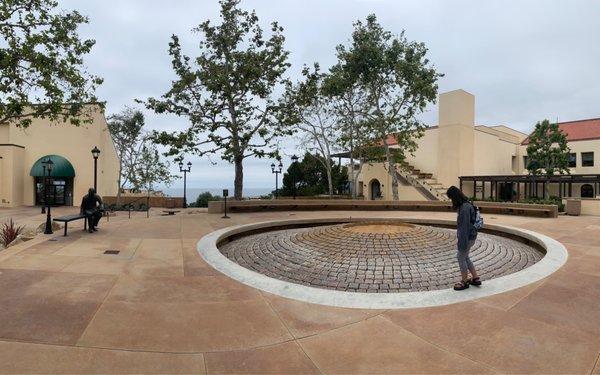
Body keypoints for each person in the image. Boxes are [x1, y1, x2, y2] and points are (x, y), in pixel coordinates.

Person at [446, 185, 482, 290]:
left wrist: (462, 243)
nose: (451, 201)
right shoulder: (467, 204)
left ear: (454, 197)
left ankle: (464, 281)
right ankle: (475, 278)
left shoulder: (464, 208)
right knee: (465, 257)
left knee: (460, 257)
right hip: (472, 236)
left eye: (451, 198)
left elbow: (464, 228)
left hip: (468, 237)